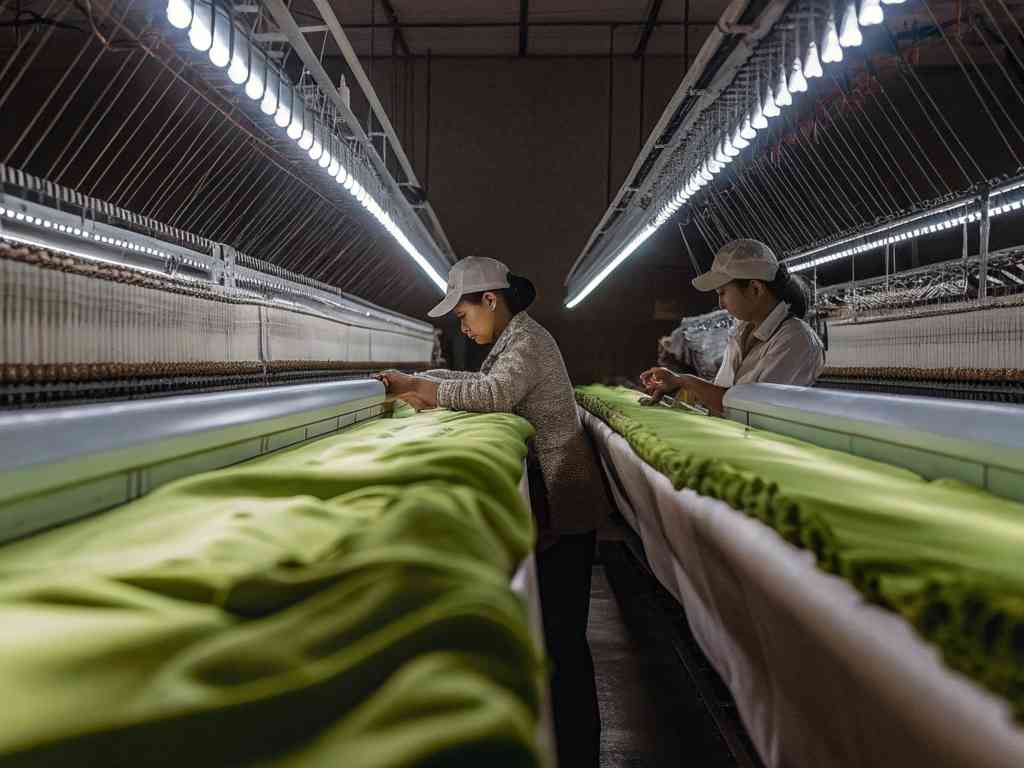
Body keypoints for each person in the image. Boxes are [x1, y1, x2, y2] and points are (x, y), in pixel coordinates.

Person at [375, 256, 605, 768]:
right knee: (554, 635)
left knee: (563, 641)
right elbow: (480, 382)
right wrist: (422, 377)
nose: (462, 324)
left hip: (563, 500)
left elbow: (496, 392)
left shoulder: (527, 343)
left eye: (464, 314)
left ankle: (578, 753)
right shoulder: (512, 340)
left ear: (491, 300)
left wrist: (420, 389)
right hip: (550, 493)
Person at [641, 239, 824, 414]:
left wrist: (685, 381)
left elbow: (754, 410)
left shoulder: (795, 340)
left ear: (755, 289)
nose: (720, 304)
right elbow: (724, 394)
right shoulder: (741, 333)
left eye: (723, 293)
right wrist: (676, 385)